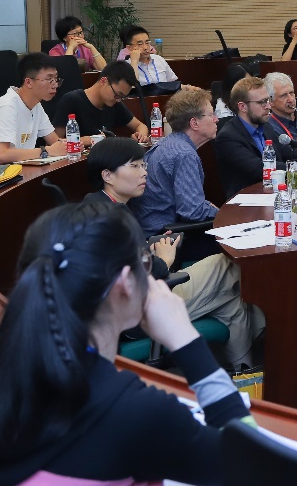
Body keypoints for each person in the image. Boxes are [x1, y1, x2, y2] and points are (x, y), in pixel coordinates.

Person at [0, 201, 252, 486]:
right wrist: (185, 340)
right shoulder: (136, 414)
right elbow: (251, 464)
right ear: (125, 283)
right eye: (145, 262)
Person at [84, 138, 263, 369]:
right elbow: (143, 274)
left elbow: (120, 262)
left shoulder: (95, 204)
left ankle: (244, 372)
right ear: (107, 175)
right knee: (227, 262)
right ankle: (271, 332)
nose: (144, 173)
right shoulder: (117, 217)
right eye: (134, 166)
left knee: (231, 304)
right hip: (139, 312)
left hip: (115, 312)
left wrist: (148, 249)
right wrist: (163, 259)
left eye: (144, 165)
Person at [128, 86, 220, 235]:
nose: (217, 119)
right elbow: (193, 211)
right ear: (194, 123)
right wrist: (222, 213)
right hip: (165, 236)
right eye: (211, 114)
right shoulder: (184, 155)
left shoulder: (166, 143)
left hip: (148, 230)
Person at [0, 52, 67, 167]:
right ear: (29, 82)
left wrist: (76, 144)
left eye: (56, 79)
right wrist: (45, 151)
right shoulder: (7, 107)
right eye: (49, 79)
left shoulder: (36, 106)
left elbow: (55, 142)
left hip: (14, 170)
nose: (55, 85)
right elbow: (1, 155)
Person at [214, 76, 297, 199]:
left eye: (268, 100)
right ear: (242, 107)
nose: (268, 106)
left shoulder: (266, 127)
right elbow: (259, 168)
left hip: (273, 195)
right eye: (262, 102)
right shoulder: (227, 137)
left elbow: (290, 152)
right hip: (247, 203)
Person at [52, 60, 149, 144]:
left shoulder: (114, 103)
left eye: (122, 97)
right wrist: (89, 140)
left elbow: (140, 125)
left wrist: (141, 135)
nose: (118, 99)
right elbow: (55, 142)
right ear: (104, 81)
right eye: (117, 94)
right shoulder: (71, 100)